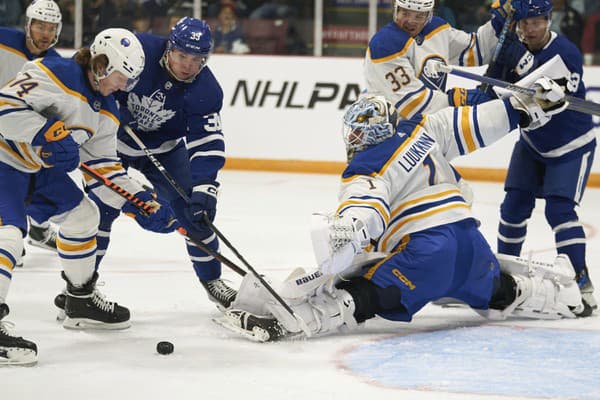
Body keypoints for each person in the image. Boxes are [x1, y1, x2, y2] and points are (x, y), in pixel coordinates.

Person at [214, 82, 587, 341]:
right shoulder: (426, 129)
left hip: (427, 253)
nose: (354, 142)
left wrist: (345, 232)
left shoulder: (368, 164)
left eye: (357, 135)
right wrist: (526, 104)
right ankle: (561, 297)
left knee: (357, 294)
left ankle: (294, 322)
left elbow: (366, 206)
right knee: (499, 291)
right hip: (471, 244)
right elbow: (479, 122)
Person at [0, 27, 175, 366]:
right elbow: (3, 107)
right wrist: (45, 133)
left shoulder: (107, 111)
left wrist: (139, 201)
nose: (124, 86)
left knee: (84, 216)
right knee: (9, 236)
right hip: (2, 161)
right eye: (122, 77)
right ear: (101, 63)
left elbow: (104, 169)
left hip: (36, 171)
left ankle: (79, 300)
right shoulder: (55, 71)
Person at [51, 17, 237, 316]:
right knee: (100, 211)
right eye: (182, 56)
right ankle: (80, 288)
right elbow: (93, 73)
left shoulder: (207, 89)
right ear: (169, 49)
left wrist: (206, 187)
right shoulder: (138, 50)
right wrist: (106, 108)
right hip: (112, 144)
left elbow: (207, 141)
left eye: (197, 59)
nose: (188, 65)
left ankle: (213, 280)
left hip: (166, 150)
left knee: (194, 211)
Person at [483, 0, 597, 315]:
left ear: (548, 21)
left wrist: (524, 73)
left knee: (560, 212)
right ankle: (504, 280)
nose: (530, 28)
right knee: (513, 208)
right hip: (532, 143)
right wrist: (496, 65)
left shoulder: (567, 53)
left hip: (570, 145)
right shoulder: (512, 48)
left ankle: (582, 285)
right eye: (524, 23)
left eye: (536, 22)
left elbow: (550, 108)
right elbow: (490, 92)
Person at [0, 0, 65, 264]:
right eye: (40, 26)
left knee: (52, 162)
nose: (45, 34)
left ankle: (36, 225)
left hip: (23, 138)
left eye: (51, 28)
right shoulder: (3, 40)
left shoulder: (58, 66)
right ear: (28, 25)